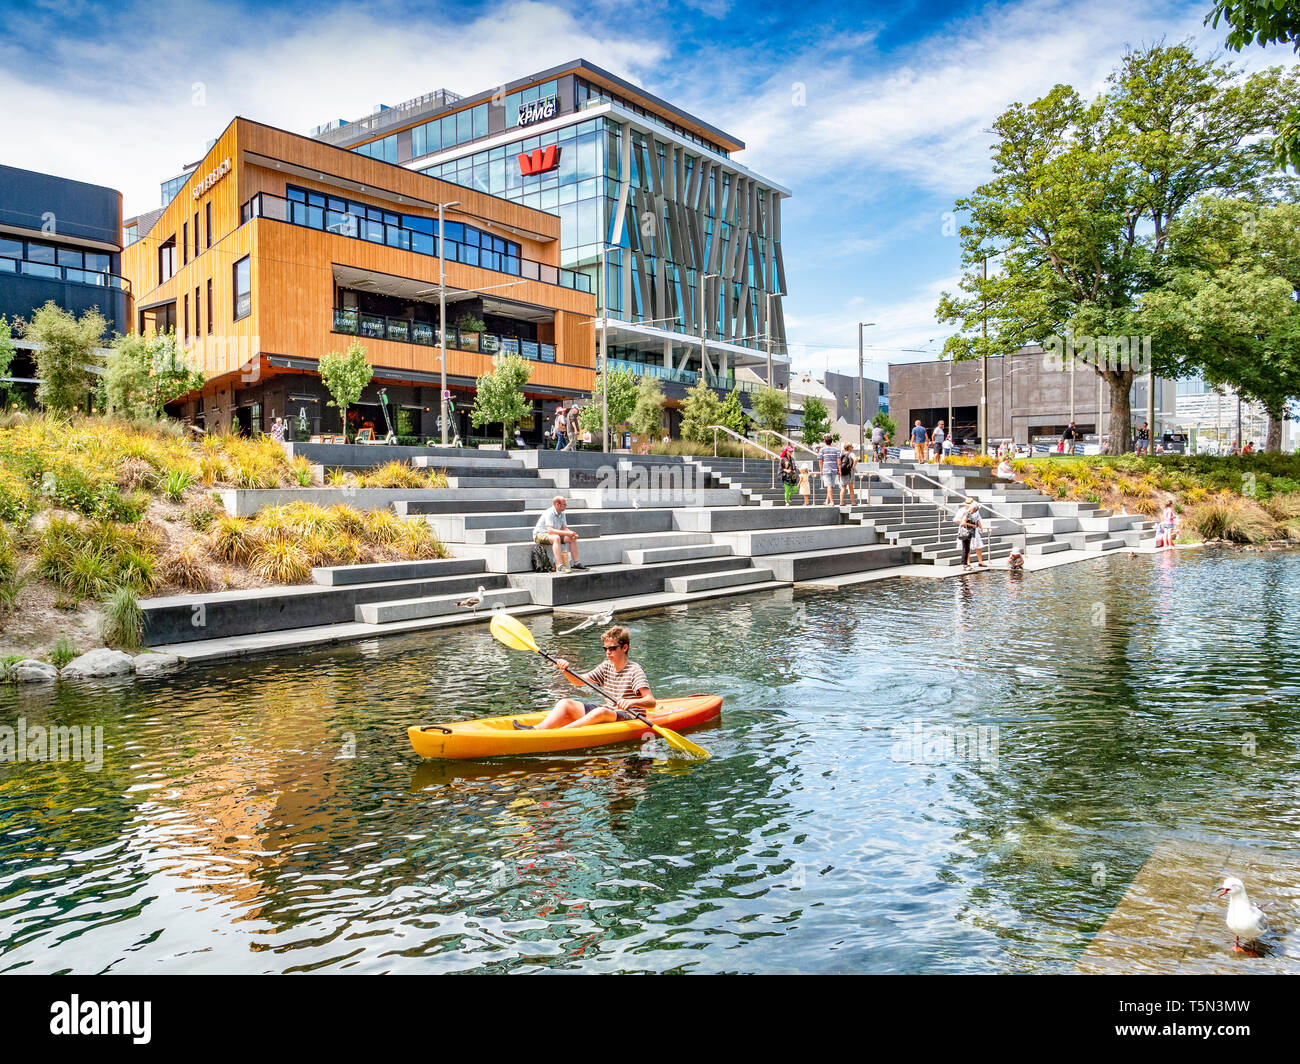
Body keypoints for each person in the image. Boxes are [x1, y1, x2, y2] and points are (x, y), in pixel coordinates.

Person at [521, 625, 654, 731]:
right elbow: (578, 682)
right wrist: (565, 670)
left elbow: (651, 701)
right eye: (605, 649)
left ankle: (559, 734)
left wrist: (631, 702)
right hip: (610, 711)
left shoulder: (634, 670)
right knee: (565, 703)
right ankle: (536, 730)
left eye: (612, 648)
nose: (608, 652)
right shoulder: (606, 666)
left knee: (600, 711)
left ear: (625, 648)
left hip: (630, 716)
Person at [533, 495, 586, 573]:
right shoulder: (549, 513)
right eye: (564, 504)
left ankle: (576, 563)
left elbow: (564, 528)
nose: (566, 506)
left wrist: (572, 533)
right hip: (540, 535)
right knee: (556, 538)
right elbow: (550, 530)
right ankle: (559, 566)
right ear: (557, 505)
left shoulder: (562, 513)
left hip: (552, 534)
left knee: (572, 538)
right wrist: (567, 533)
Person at [955, 498, 985, 571]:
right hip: (965, 531)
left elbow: (977, 520)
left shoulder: (973, 512)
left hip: (973, 531)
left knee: (973, 546)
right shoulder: (964, 512)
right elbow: (961, 522)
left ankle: (979, 561)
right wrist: (971, 525)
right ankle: (966, 564)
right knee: (966, 548)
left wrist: (980, 527)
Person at [818, 434, 840, 504]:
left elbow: (820, 461)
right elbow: (838, 461)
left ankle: (832, 501)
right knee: (830, 486)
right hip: (834, 469)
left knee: (829, 486)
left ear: (825, 442)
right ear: (831, 441)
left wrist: (821, 470)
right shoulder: (836, 449)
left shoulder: (822, 450)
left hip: (826, 469)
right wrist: (839, 470)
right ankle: (827, 501)